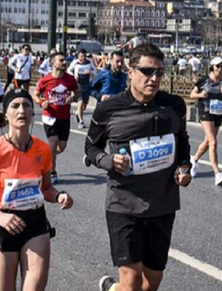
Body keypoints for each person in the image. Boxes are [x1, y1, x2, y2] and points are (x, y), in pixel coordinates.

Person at [85, 43, 192, 291]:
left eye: (159, 73)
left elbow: (182, 141)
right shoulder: (108, 109)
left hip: (162, 205)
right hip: (124, 205)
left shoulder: (174, 105)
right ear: (130, 71)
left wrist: (184, 167)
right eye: (146, 71)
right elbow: (91, 150)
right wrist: (110, 161)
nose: (153, 78)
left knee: (151, 283)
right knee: (131, 281)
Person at [0, 88, 73, 291]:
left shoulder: (42, 149)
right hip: (4, 223)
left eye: (26, 105)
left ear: (33, 113)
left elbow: (47, 188)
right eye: (15, 106)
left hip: (35, 223)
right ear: (6, 113)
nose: (21, 110)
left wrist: (59, 196)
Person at [32, 51, 79, 184]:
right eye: (61, 60)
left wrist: (73, 98)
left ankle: (48, 155)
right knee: (52, 142)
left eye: (65, 61)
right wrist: (41, 102)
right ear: (53, 63)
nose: (65, 63)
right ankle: (52, 172)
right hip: (49, 116)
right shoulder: (45, 80)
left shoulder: (70, 79)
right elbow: (35, 94)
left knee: (61, 147)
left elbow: (77, 92)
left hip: (64, 117)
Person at [189, 56, 222, 186]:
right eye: (217, 66)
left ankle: (194, 159)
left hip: (218, 112)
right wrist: (201, 95)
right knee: (213, 141)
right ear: (212, 67)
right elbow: (192, 94)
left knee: (208, 141)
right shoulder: (204, 81)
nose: (220, 69)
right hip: (205, 110)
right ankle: (217, 173)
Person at [67, 49, 96, 128]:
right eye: (81, 56)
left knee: (84, 106)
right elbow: (69, 70)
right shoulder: (75, 62)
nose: (83, 58)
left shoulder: (89, 62)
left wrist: (90, 72)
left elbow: (95, 71)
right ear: (78, 56)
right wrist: (74, 76)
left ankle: (77, 113)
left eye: (84, 56)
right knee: (80, 102)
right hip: (78, 84)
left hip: (87, 84)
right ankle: (81, 121)